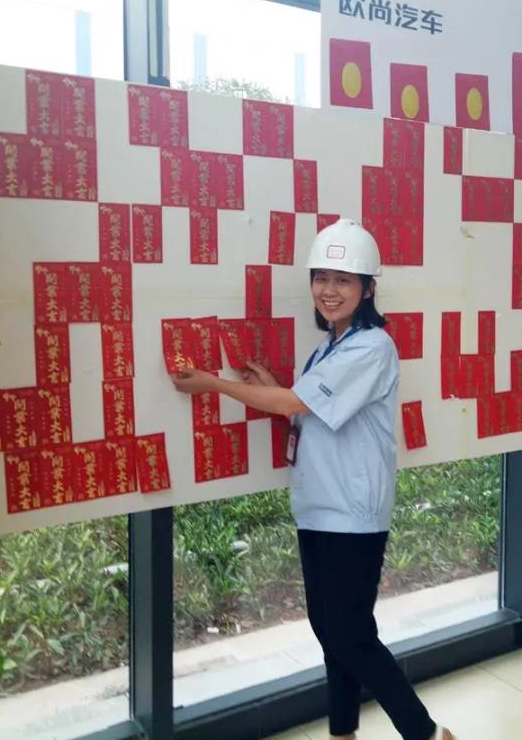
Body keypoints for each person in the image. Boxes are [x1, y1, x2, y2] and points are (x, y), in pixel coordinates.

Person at [171, 219, 456, 740]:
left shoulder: (372, 347)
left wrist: (215, 384)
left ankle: (428, 734)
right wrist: (278, 388)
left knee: (349, 634)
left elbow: (297, 404)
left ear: (367, 288)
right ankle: (343, 732)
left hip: (353, 509)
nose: (329, 290)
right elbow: (309, 411)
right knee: (331, 631)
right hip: (320, 504)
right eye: (321, 278)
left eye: (343, 280)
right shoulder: (329, 347)